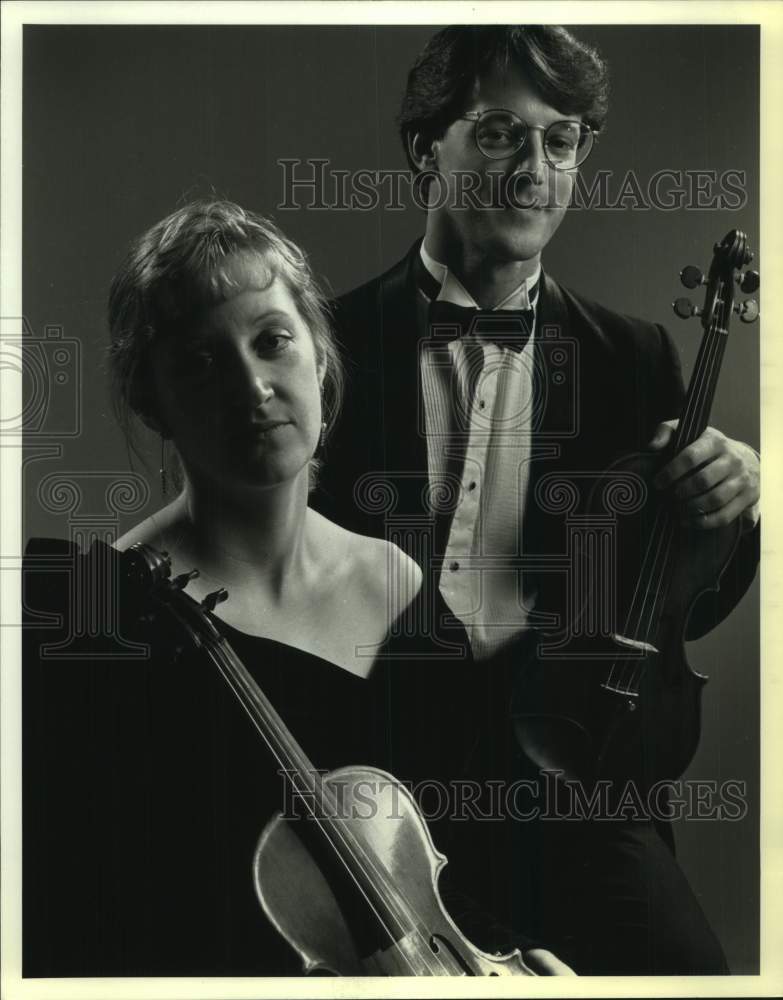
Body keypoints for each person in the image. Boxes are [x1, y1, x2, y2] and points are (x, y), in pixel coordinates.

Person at [22, 199, 572, 976]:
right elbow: (84, 916)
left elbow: (471, 858)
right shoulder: (100, 614)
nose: (252, 387)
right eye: (201, 363)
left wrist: (520, 961)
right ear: (153, 402)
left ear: (317, 355)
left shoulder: (398, 583)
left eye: (271, 341)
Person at [315, 26, 760, 974]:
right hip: (369, 770)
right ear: (421, 147)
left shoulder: (634, 357)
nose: (534, 172)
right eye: (499, 134)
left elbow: (672, 605)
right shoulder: (324, 345)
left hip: (566, 774)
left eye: (561, 141)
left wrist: (730, 508)